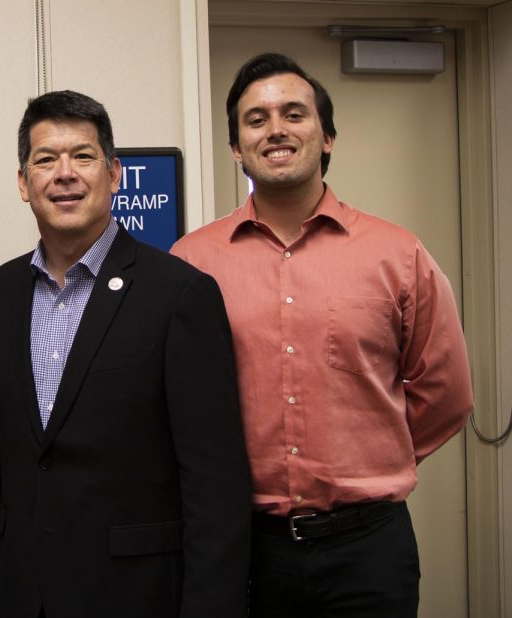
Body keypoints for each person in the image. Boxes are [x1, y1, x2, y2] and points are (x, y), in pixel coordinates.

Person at [171, 53, 474, 617]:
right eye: (255, 120)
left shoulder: (396, 254)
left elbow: (447, 392)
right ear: (236, 147)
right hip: (244, 548)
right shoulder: (192, 263)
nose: (276, 130)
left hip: (368, 549)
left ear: (327, 136)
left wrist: (373, 452)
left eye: (294, 114)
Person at [0, 90, 251, 618]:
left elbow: (214, 481)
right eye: (45, 160)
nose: (64, 174)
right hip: (30, 591)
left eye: (83, 157)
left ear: (114, 174)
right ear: (24, 184)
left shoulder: (179, 294)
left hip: (137, 592)